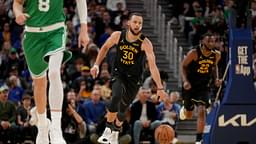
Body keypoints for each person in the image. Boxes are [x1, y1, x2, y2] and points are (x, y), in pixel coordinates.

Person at [13, 0, 89, 144]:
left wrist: (84, 28)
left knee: (54, 73)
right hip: (33, 34)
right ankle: (42, 126)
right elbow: (17, 3)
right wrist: (18, 14)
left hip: (56, 30)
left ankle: (56, 128)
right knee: (39, 83)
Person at [90, 12, 168, 144]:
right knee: (116, 96)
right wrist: (96, 65)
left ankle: (115, 132)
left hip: (134, 78)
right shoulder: (118, 36)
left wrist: (160, 87)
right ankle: (108, 130)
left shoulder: (145, 43)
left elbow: (153, 67)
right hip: (119, 73)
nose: (137, 25)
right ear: (129, 23)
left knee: (123, 109)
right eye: (135, 22)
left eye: (140, 23)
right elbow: (104, 48)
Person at [180, 33, 221, 144]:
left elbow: (214, 66)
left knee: (202, 110)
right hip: (190, 85)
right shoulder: (194, 53)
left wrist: (217, 78)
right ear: (202, 41)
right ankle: (186, 107)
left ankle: (199, 139)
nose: (212, 43)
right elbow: (183, 66)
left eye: (213, 41)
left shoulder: (216, 55)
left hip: (204, 86)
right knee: (188, 115)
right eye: (209, 41)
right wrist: (185, 81)